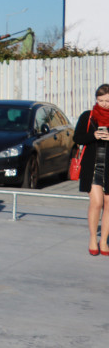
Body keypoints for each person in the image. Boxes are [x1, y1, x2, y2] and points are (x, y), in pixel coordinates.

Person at [73, 84, 109, 256]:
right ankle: (93, 238)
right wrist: (93, 136)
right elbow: (77, 138)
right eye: (100, 100)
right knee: (97, 203)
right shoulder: (88, 116)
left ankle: (104, 241)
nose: (104, 104)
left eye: (107, 101)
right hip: (93, 166)